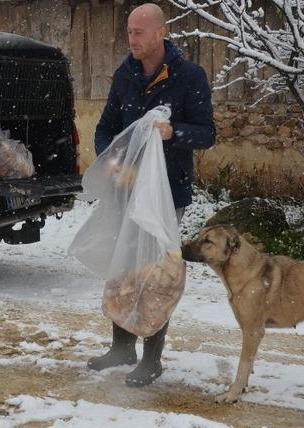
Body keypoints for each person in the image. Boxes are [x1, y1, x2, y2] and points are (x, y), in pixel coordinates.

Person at [89, 3, 216, 387]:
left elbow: (207, 134)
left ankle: (152, 357)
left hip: (165, 195)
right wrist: (113, 166)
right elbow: (105, 130)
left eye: (139, 32)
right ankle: (121, 346)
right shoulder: (124, 76)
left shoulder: (188, 76)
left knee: (154, 274)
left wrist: (172, 133)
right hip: (125, 191)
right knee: (122, 270)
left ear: (161, 33)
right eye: (129, 32)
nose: (132, 39)